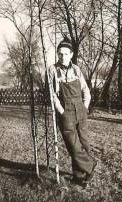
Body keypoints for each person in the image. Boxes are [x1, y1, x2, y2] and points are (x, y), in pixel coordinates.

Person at [49, 37, 97, 185]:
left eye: (65, 53)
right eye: (60, 54)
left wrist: (85, 107)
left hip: (80, 111)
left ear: (71, 54)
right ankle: (91, 165)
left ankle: (79, 177)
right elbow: (52, 95)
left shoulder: (76, 69)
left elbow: (85, 90)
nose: (62, 57)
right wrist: (62, 111)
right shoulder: (52, 70)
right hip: (66, 113)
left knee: (84, 144)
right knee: (74, 147)